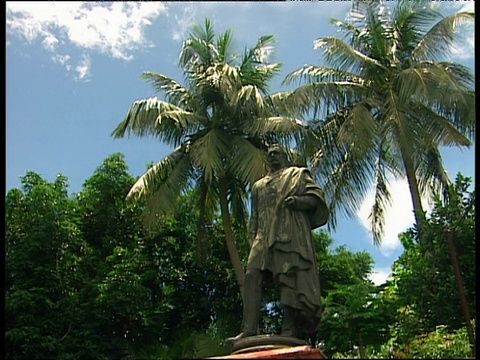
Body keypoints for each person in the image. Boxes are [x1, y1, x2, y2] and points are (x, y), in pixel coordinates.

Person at [230, 144, 329, 341]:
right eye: (270, 154)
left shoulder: (296, 175)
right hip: (263, 236)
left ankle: (288, 330)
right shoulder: (258, 186)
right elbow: (255, 216)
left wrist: (299, 202)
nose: (273, 156)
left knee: (290, 278)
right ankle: (249, 329)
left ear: (284, 157)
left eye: (277, 153)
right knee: (252, 275)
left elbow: (316, 198)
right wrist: (253, 239)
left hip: (289, 233)